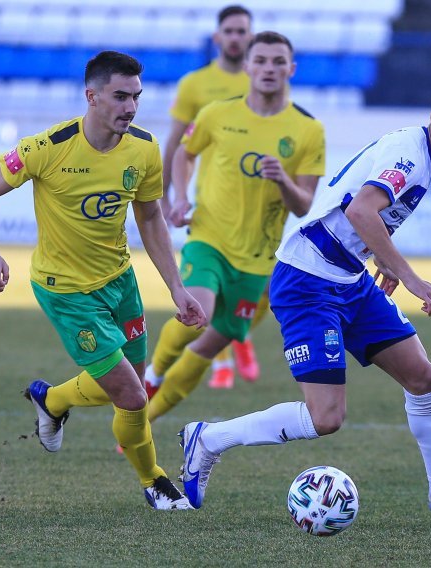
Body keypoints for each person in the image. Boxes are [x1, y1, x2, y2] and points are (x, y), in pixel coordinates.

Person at [177, 77, 431, 530]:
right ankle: (209, 439)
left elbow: (364, 214)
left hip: (348, 278)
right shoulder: (409, 155)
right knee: (326, 417)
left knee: (423, 376)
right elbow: (359, 212)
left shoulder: (423, 156)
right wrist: (408, 276)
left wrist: (382, 261)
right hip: (307, 280)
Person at [0, 50, 207, 510]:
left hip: (120, 282)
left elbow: (151, 216)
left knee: (128, 383)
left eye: (136, 96)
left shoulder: (144, 147)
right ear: (91, 96)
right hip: (66, 291)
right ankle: (154, 481)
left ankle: (51, 399)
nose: (130, 106)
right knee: (133, 396)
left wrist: (176, 287)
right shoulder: (48, 147)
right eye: (120, 96)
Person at [145, 31, 325, 424]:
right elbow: (183, 154)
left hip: (258, 258)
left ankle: (146, 419)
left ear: (291, 70)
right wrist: (178, 198)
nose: (269, 69)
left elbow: (303, 205)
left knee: (209, 345)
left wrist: (283, 181)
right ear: (247, 67)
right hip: (208, 237)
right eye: (260, 60)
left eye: (279, 61)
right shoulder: (216, 114)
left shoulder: (308, 130)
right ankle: (152, 375)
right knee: (198, 312)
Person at [157, 4, 263, 390]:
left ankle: (240, 336)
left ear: (251, 37)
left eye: (242, 31)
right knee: (210, 286)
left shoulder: (264, 82)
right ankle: (222, 360)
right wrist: (167, 197)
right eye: (230, 31)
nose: (236, 37)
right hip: (210, 202)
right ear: (218, 37)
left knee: (257, 288)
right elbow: (176, 143)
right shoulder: (194, 85)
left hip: (258, 207)